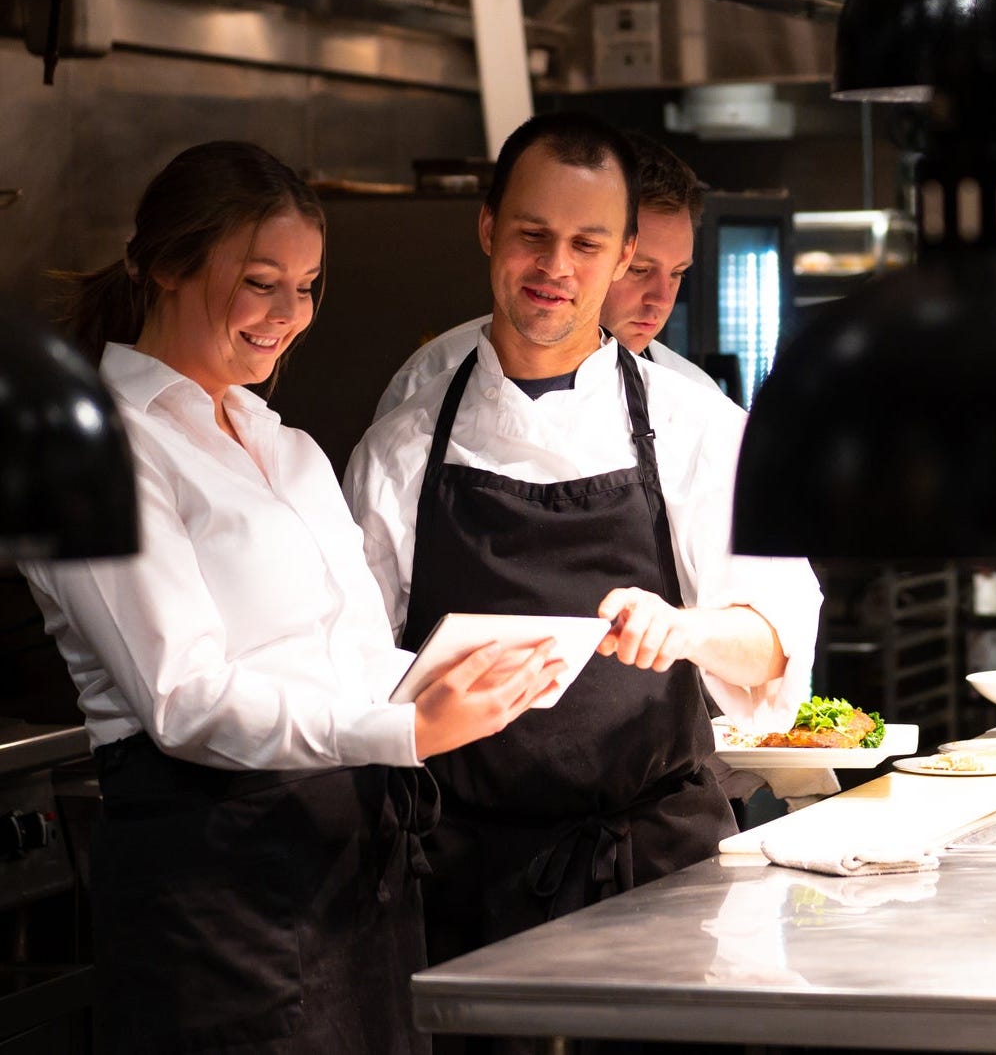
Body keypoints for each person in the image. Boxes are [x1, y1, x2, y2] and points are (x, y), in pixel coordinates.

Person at [19, 141, 563, 1055]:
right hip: (214, 883)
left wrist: (472, 670)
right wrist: (409, 730)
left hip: (352, 869)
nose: (287, 316)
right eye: (261, 282)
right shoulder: (93, 446)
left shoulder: (288, 448)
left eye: (306, 287)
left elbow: (345, 657)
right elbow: (181, 700)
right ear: (160, 264)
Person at [343, 112, 821, 971]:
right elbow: (349, 673)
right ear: (489, 229)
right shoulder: (402, 447)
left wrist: (687, 630)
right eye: (533, 236)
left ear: (620, 251)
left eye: (588, 245)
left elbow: (775, 648)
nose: (556, 270)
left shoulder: (698, 427)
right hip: (458, 881)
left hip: (659, 876)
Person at [372, 131, 718, 418]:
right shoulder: (431, 378)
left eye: (677, 274)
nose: (661, 300)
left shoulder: (698, 404)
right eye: (640, 270)